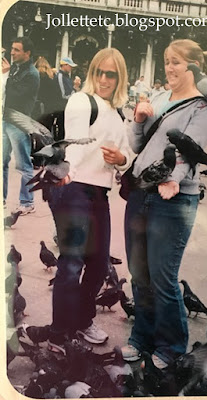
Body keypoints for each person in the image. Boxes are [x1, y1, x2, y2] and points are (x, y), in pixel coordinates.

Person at [121, 39, 207, 369]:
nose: (169, 68)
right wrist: (138, 118)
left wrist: (173, 178)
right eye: (166, 61)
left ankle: (172, 346)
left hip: (173, 199)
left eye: (176, 62)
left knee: (163, 277)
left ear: (192, 66)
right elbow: (136, 143)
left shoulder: (203, 107)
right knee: (139, 273)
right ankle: (141, 338)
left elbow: (190, 152)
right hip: (140, 193)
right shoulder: (160, 98)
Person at [46, 48, 132, 353]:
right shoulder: (83, 101)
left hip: (99, 192)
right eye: (100, 72)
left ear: (120, 77)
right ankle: (60, 332)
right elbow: (75, 143)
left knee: (98, 265)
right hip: (74, 188)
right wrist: (65, 171)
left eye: (112, 74)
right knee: (71, 264)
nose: (105, 79)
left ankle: (82, 321)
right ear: (92, 72)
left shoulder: (119, 109)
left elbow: (126, 156)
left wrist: (121, 159)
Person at [2, 36, 40, 214]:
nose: (12, 52)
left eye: (16, 50)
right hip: (6, 119)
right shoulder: (16, 69)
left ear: (27, 53)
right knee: (2, 162)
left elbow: (17, 95)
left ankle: (27, 202)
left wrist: (7, 75)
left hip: (18, 123)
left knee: (23, 164)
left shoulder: (32, 73)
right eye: (12, 49)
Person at [53, 57, 77, 140]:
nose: (71, 68)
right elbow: (64, 95)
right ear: (64, 65)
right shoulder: (60, 76)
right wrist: (75, 89)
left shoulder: (66, 76)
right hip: (62, 107)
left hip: (66, 106)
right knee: (62, 128)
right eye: (70, 66)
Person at [32, 56, 59, 131]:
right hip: (48, 112)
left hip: (34, 111)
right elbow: (56, 98)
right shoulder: (51, 82)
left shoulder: (32, 81)